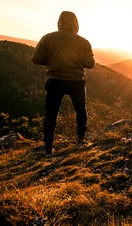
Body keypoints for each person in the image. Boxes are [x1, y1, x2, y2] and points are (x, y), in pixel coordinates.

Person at [31, 11, 95, 155]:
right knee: (80, 110)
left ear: (59, 22)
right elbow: (90, 64)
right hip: (76, 81)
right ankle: (81, 139)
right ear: (76, 23)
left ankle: (48, 148)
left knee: (51, 113)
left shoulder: (48, 38)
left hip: (55, 80)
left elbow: (36, 59)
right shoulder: (84, 42)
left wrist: (52, 61)